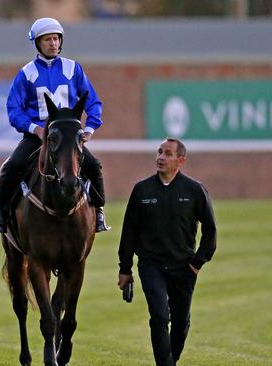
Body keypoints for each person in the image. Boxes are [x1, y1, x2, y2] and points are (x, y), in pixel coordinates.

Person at [0, 17, 110, 233]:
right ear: (37, 43)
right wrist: (34, 128)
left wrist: (90, 128)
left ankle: (99, 211)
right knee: (11, 166)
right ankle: (1, 212)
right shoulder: (26, 73)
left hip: (68, 138)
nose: (53, 43)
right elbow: (14, 110)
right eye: (47, 40)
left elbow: (93, 102)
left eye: (56, 39)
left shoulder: (74, 69)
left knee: (94, 166)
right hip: (36, 137)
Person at [117, 138, 217, 366]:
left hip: (184, 267)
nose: (161, 157)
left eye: (168, 153)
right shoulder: (142, 190)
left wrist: (197, 263)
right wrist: (125, 269)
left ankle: (169, 361)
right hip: (151, 266)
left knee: (181, 324)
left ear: (180, 161)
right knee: (160, 317)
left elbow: (210, 231)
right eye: (159, 152)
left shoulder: (194, 190)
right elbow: (129, 232)